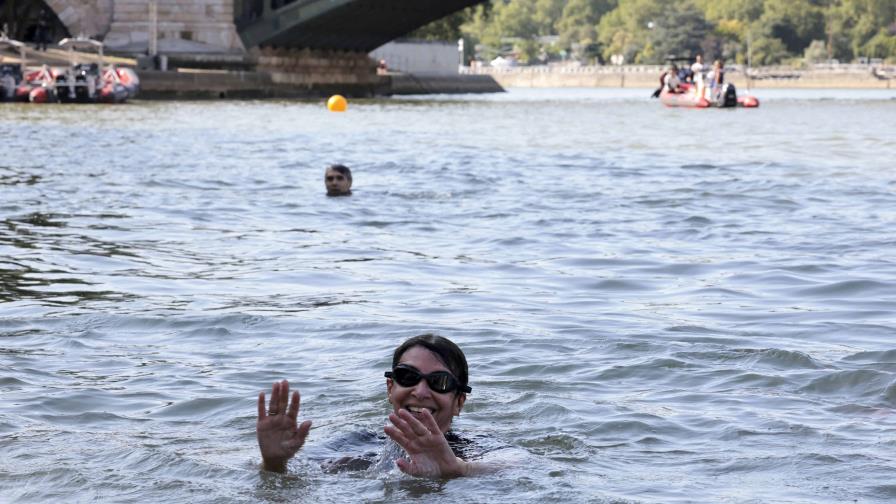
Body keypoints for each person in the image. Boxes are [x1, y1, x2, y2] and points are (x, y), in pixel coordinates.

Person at [256, 334, 489, 478]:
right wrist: (274, 463)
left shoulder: (476, 452)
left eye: (439, 382)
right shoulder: (357, 446)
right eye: (407, 376)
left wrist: (458, 471)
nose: (420, 391)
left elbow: (515, 466)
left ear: (458, 402)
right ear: (390, 388)